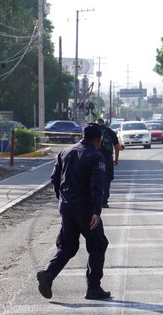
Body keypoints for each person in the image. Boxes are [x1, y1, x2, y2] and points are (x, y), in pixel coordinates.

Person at [37, 123, 112, 300]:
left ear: (81, 136)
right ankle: (93, 288)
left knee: (67, 246)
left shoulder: (65, 152)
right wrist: (96, 211)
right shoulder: (96, 156)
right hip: (85, 209)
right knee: (98, 245)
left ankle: (48, 274)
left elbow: (54, 178)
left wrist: (62, 199)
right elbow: (97, 185)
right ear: (98, 140)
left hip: (67, 207)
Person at [96, 118, 120, 208]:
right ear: (104, 123)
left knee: (94, 179)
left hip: (94, 158)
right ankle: (104, 201)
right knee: (107, 180)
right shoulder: (110, 132)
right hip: (107, 159)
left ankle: (94, 200)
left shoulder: (93, 131)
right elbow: (117, 146)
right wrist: (116, 159)